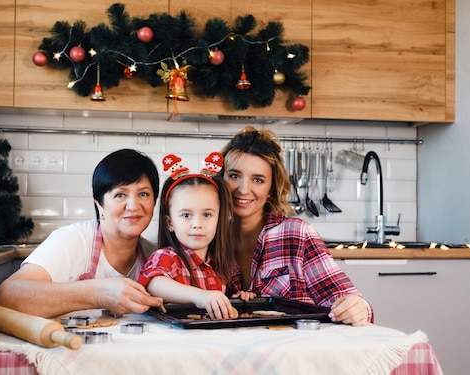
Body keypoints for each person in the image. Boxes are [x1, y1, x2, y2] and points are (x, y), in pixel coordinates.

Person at [221, 126, 373, 326]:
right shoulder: (206, 236)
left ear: (272, 188)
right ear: (220, 178)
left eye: (257, 180)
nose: (243, 189)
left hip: (293, 350)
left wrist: (357, 307)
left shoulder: (297, 234)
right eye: (234, 176)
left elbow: (345, 297)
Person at [0, 149, 164, 318]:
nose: (133, 206)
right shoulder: (74, 240)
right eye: (120, 195)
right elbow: (7, 297)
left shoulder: (156, 257)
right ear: (99, 205)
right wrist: (98, 294)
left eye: (143, 194)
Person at [137, 153, 255, 320]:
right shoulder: (167, 257)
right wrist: (199, 296)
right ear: (170, 223)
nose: (197, 224)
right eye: (186, 215)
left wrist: (242, 297)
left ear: (218, 219)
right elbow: (153, 283)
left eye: (207, 215)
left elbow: (230, 299)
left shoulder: (224, 265)